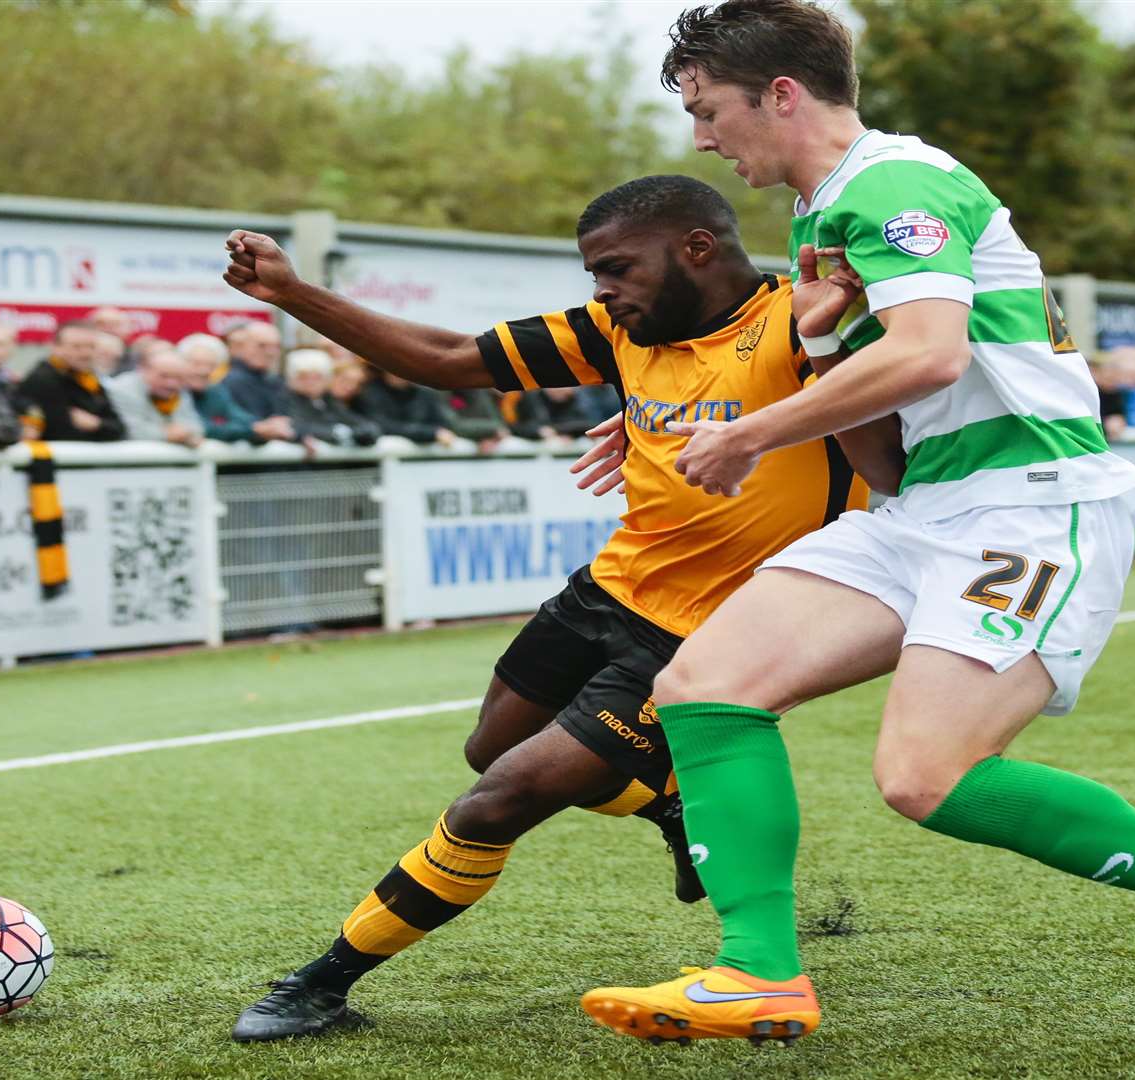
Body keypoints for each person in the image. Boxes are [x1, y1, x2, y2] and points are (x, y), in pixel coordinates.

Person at [579, 1, 1135, 1054]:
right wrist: (821, 352)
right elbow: (883, 446)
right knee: (704, 687)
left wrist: (752, 430)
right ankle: (758, 974)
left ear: (783, 94)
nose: (704, 140)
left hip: (1033, 504)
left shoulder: (898, 182)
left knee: (923, 777)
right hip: (921, 508)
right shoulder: (818, 221)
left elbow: (933, 353)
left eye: (711, 111)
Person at [217, 174, 886, 1042]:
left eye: (615, 269)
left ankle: (319, 984)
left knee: (497, 800)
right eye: (593, 274)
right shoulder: (614, 331)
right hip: (611, 585)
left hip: (716, 628)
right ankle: (672, 802)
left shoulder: (803, 324)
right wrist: (294, 293)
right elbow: (451, 360)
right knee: (489, 746)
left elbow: (909, 403)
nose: (601, 290)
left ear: (697, 248)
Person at [16, 322, 126, 442]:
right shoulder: (43, 380)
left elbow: (119, 428)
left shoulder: (89, 379)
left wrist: (96, 424)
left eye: (91, 346)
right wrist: (102, 427)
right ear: (55, 347)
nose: (85, 353)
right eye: (76, 346)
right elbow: (63, 434)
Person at [177, 333, 293, 444]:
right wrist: (254, 430)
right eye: (196, 364)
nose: (204, 371)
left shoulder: (215, 392)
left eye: (210, 365)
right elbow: (198, 426)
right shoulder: (171, 391)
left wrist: (264, 426)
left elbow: (239, 416)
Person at [278, 348, 380, 450]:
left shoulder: (328, 401)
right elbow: (296, 426)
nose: (311, 382)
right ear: (292, 378)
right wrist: (337, 433)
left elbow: (365, 426)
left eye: (317, 376)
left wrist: (351, 433)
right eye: (303, 376)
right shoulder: (285, 399)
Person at [109, 343, 206, 447]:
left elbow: (197, 427)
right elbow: (130, 431)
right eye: (164, 376)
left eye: (179, 377)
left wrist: (186, 433)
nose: (171, 383)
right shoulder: (123, 388)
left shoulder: (180, 391)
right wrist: (168, 434)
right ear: (144, 370)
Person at [220, 320, 289, 421]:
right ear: (240, 347)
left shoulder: (274, 380)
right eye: (261, 345)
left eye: (276, 346)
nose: (271, 352)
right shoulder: (234, 381)